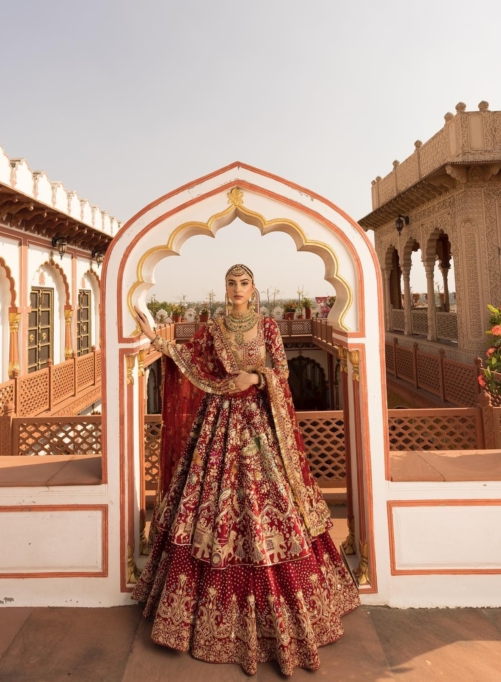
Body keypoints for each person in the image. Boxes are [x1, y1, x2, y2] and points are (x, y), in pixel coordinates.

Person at [132, 264, 359, 677]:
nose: (236, 289)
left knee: (267, 502)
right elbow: (193, 359)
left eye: (243, 283)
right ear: (225, 289)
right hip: (217, 420)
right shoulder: (213, 327)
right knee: (208, 500)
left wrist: (254, 375)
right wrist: (157, 341)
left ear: (253, 289)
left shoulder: (269, 326)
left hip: (258, 422)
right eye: (230, 284)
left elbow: (283, 370)